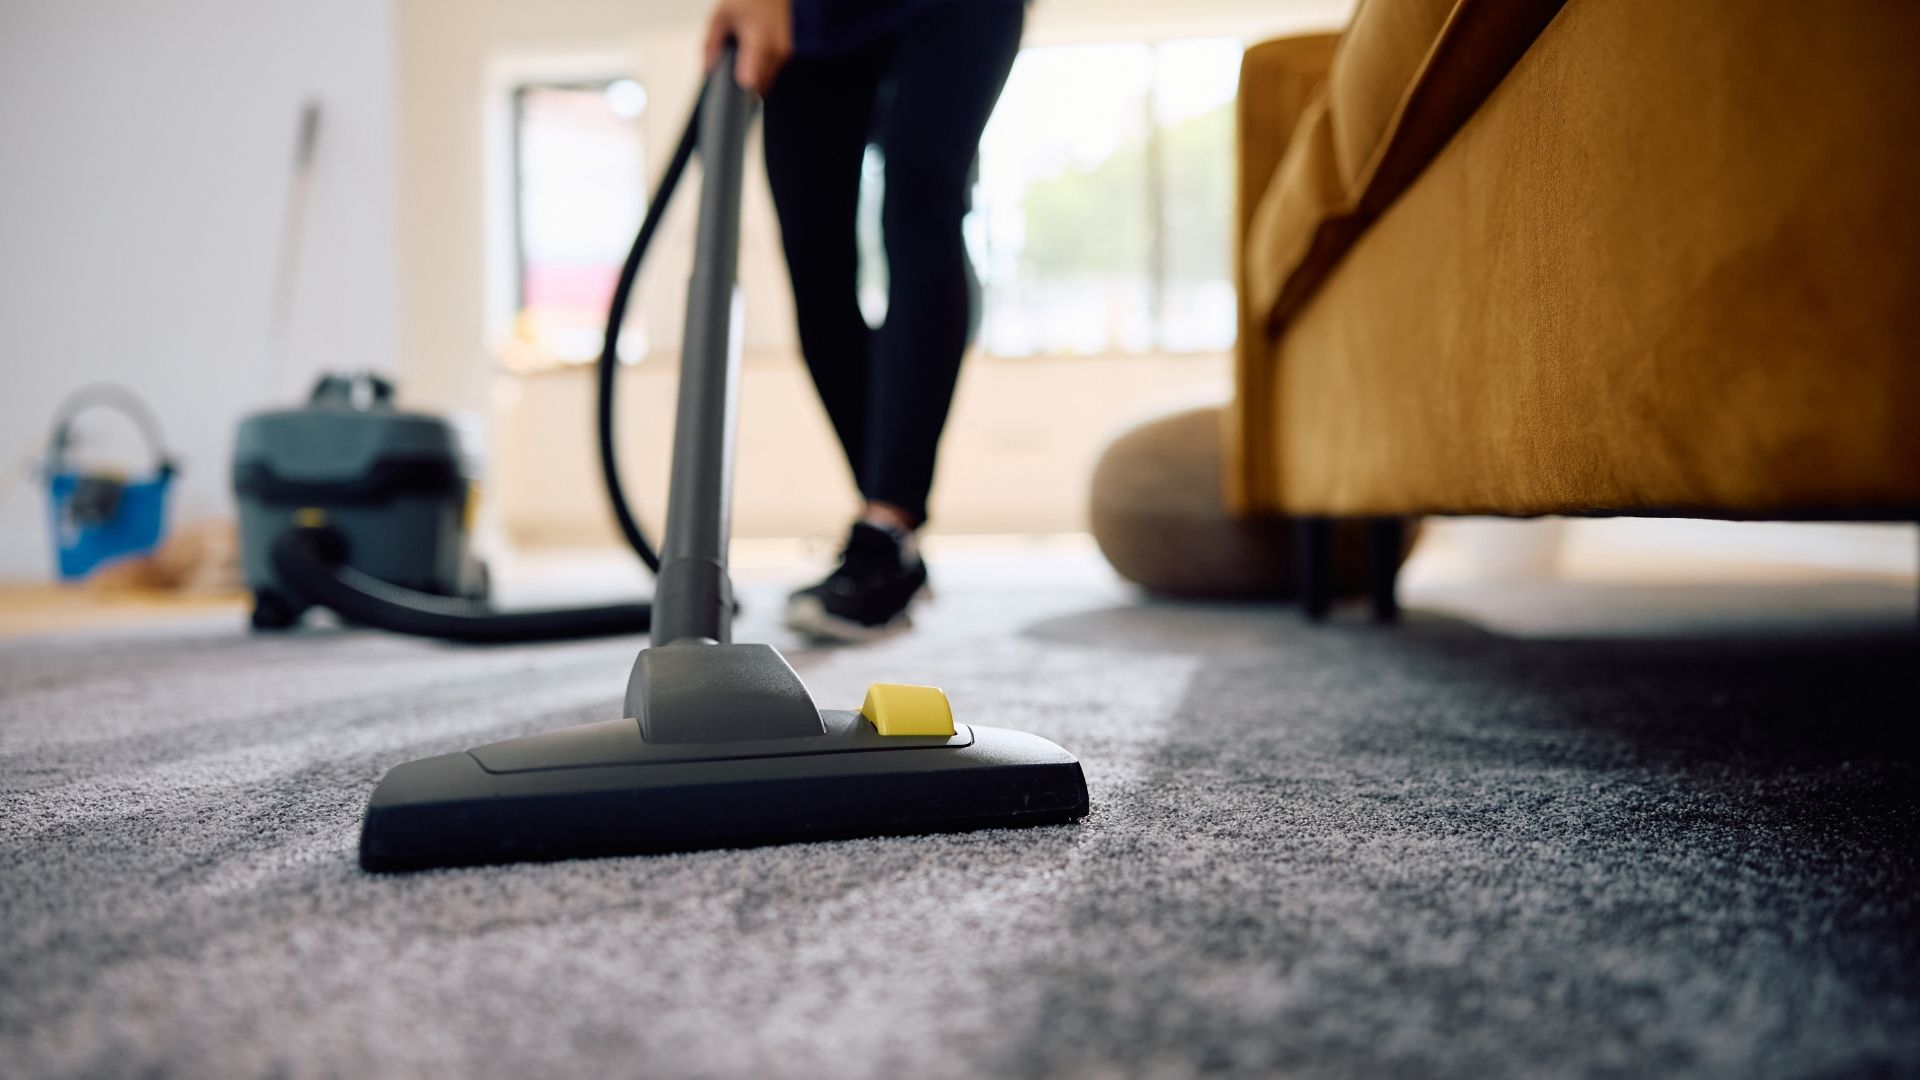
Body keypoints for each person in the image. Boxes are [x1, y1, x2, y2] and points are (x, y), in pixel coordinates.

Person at [702, 0, 1025, 641]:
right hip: (812, 19)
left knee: (922, 200)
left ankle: (886, 524)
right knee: (811, 253)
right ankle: (889, 532)